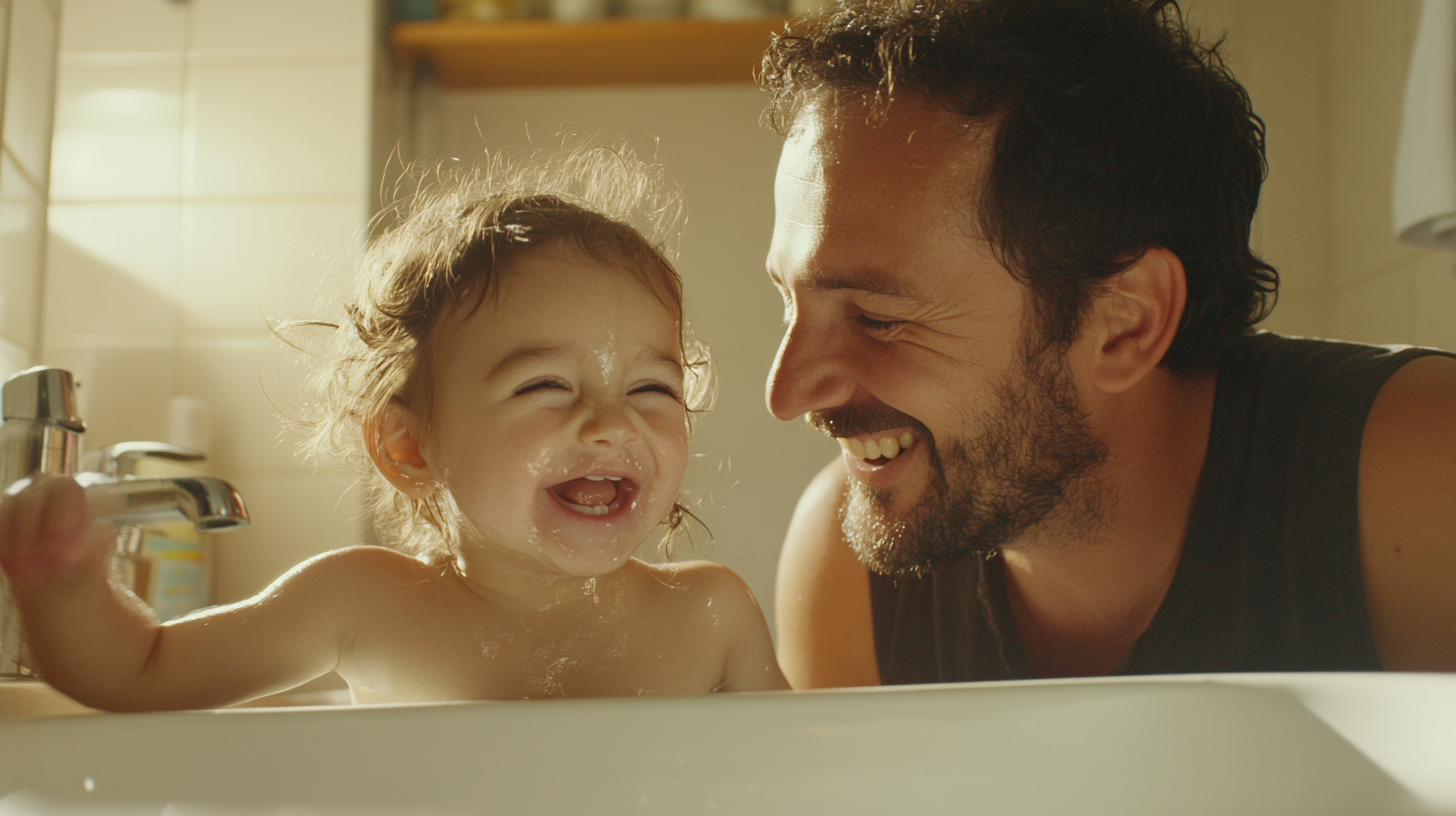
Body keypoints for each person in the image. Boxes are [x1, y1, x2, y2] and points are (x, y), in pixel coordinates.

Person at [761, 0, 1456, 687]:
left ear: (1126, 323)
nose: (787, 394)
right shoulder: (847, 563)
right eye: (789, 301)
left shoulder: (1420, 476)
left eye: (879, 319)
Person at [0, 144, 788, 710]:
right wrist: (66, 589)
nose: (614, 422)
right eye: (545, 384)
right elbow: (140, 673)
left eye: (652, 387)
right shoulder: (363, 606)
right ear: (410, 445)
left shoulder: (709, 618)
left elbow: (805, 789)